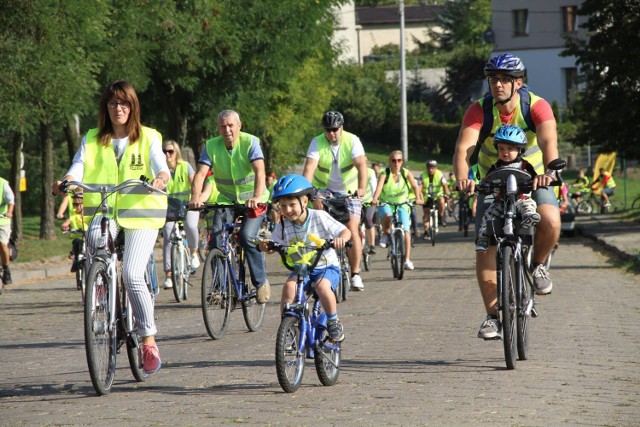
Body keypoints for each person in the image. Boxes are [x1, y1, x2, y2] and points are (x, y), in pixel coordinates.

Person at [52, 80, 169, 373]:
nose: (119, 109)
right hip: (106, 210)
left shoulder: (149, 136)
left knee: (131, 273)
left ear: (133, 107)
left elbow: (160, 164)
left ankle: (148, 339)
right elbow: (78, 166)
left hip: (141, 214)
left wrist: (161, 179)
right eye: (114, 103)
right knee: (94, 240)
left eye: (125, 103)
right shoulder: (92, 138)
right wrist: (66, 181)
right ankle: (100, 285)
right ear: (106, 107)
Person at [453, 53, 560, 340]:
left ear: (518, 82)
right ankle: (492, 316)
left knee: (550, 218)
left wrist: (550, 171)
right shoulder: (479, 110)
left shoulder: (536, 106)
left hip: (533, 177)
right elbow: (464, 149)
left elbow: (549, 141)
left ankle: (537, 265)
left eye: (504, 80)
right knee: (485, 243)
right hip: (492, 181)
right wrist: (463, 177)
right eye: (492, 79)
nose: (497, 85)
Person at [188, 110, 271, 303]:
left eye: (231, 125)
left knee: (246, 236)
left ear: (239, 126)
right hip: (226, 200)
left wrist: (257, 196)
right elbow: (200, 174)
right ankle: (219, 288)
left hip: (253, 199)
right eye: (223, 126)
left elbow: (260, 170)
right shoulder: (211, 145)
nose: (227, 130)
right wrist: (195, 198)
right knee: (216, 238)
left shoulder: (251, 142)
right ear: (218, 128)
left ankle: (260, 281)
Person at [258, 175, 350, 342]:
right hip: (302, 268)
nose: (287, 210)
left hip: (326, 267)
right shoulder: (284, 225)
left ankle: (333, 321)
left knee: (322, 287)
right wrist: (267, 246)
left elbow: (345, 231)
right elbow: (274, 243)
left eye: (292, 205)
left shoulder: (319, 217)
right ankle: (287, 328)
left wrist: (341, 239)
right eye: (283, 206)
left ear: (305, 202)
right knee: (288, 287)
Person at [302, 111, 368, 291]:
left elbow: (362, 165)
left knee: (352, 228)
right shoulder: (317, 142)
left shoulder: (352, 140)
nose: (331, 133)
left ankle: (355, 274)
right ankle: (320, 268)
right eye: (328, 130)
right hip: (325, 189)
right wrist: (309, 194)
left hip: (350, 191)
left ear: (342, 128)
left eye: (335, 129)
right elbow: (309, 169)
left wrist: (361, 188)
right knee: (320, 226)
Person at [475, 125, 540, 252]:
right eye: (501, 149)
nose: (505, 152)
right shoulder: (495, 167)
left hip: (521, 199)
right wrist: (483, 185)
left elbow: (535, 178)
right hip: (501, 201)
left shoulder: (525, 166)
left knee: (529, 205)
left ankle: (528, 218)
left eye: (510, 149)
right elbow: (487, 179)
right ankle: (483, 239)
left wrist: (536, 181)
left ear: (520, 150)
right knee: (488, 215)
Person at [371, 151, 423, 270]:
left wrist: (418, 198)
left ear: (402, 162)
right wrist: (375, 199)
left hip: (402, 203)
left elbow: (415, 186)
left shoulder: (406, 173)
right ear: (390, 162)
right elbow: (379, 188)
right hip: (386, 203)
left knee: (406, 230)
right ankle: (385, 234)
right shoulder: (385, 174)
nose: (396, 163)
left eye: (399, 160)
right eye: (394, 160)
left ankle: (407, 260)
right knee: (388, 215)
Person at [161, 140, 200, 289]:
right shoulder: (161, 170)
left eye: (170, 151)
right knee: (167, 236)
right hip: (169, 207)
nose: (167, 154)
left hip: (187, 204)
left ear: (176, 152)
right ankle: (169, 275)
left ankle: (194, 252)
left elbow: (194, 183)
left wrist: (196, 198)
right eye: (165, 151)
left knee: (190, 225)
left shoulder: (185, 166)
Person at [418, 160, 450, 239]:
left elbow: (445, 185)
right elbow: (419, 187)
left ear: (436, 168)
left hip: (437, 195)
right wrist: (418, 197)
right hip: (427, 197)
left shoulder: (439, 175)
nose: (431, 170)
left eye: (432, 168)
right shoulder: (423, 175)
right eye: (429, 168)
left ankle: (440, 215)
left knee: (442, 201)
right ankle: (426, 232)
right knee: (426, 215)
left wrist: (447, 195)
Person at [57, 190, 86, 275]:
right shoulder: (73, 216)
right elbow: (66, 223)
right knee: (77, 243)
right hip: (77, 237)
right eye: (74, 205)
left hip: (87, 237)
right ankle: (76, 261)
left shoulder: (88, 216)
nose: (75, 207)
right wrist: (64, 226)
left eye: (77, 205)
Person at [0, 176, 15, 289]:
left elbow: (11, 200)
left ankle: (6, 268)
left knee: (2, 244)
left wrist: (9, 212)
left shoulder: (3, 183)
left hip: (2, 220)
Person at [362, 164, 378, 254]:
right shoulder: (352, 171)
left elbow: (374, 187)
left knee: (368, 220)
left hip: (369, 201)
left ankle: (372, 245)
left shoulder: (370, 172)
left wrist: (375, 199)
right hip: (355, 202)